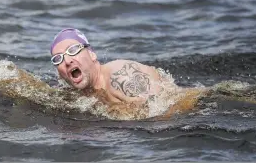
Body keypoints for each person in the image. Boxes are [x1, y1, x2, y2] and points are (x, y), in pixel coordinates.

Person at [50, 28, 179, 106]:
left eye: (73, 50)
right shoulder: (76, 94)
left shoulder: (121, 76)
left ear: (92, 54)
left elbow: (164, 113)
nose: (66, 61)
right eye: (58, 58)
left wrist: (116, 110)